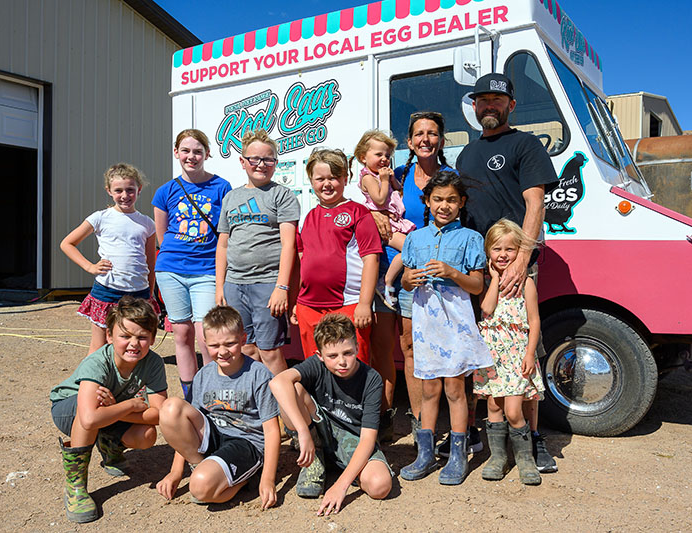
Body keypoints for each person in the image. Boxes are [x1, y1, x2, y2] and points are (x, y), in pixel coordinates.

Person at [456, 73, 560, 473]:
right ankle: (492, 440)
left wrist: (521, 260)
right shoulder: (466, 155)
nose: (488, 107)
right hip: (481, 271)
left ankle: (534, 442)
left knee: (521, 356)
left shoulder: (526, 144)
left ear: (510, 105)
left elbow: (535, 205)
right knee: (489, 353)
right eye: (482, 101)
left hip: (515, 265)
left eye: (496, 101)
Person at [399, 171, 493, 485]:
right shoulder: (415, 238)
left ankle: (457, 454)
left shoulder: (470, 238)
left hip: (455, 320)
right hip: (426, 321)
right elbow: (405, 279)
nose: (444, 205)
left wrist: (452, 272)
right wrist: (408, 280)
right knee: (429, 388)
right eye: (438, 199)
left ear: (461, 202)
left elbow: (477, 285)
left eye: (452, 199)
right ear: (427, 201)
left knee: (455, 388)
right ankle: (424, 454)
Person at [49, 296, 167, 523]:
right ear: (110, 336)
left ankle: (109, 446)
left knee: (147, 435)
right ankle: (76, 487)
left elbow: (159, 413)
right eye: (125, 336)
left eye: (142, 337)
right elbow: (89, 417)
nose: (134, 344)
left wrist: (117, 409)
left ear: (152, 338)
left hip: (109, 410)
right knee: (93, 403)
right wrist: (130, 405)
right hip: (68, 409)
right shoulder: (98, 362)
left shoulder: (153, 363)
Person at [156, 306, 280, 508]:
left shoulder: (259, 374)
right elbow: (188, 421)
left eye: (230, 343)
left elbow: (272, 430)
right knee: (170, 408)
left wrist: (268, 479)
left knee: (200, 490)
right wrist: (176, 472)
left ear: (243, 340)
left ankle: (246, 478)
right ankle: (201, 466)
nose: (222, 351)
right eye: (215, 345)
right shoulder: (204, 374)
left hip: (245, 442)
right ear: (205, 343)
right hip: (214, 434)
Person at [269, 313, 392, 514]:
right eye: (332, 356)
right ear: (320, 356)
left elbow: (368, 439)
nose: (342, 362)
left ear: (357, 348)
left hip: (352, 438)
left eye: (348, 353)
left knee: (380, 486)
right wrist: (303, 432)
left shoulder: (372, 379)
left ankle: (339, 466)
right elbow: (277, 382)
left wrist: (340, 486)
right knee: (294, 388)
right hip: (318, 428)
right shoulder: (316, 365)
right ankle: (315, 458)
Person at [153, 129, 232, 399]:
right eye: (185, 150)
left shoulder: (222, 187)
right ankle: (191, 395)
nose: (191, 156)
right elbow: (162, 237)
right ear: (176, 153)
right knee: (181, 333)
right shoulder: (165, 191)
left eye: (197, 151)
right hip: (171, 268)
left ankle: (214, 393)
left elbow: (225, 232)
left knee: (205, 335)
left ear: (207, 154)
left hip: (207, 270)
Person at [215, 129, 299, 376]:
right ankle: (260, 404)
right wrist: (220, 287)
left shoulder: (282, 195)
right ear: (243, 161)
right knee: (247, 349)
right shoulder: (231, 197)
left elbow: (289, 245)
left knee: (270, 352)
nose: (261, 164)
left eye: (268, 159)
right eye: (255, 159)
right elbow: (223, 245)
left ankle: (285, 409)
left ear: (275, 162)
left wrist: (281, 288)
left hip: (267, 285)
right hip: (234, 285)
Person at [291, 148, 381, 365]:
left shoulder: (358, 213)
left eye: (333, 177)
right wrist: (296, 301)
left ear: (345, 178)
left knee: (351, 368)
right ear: (311, 181)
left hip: (348, 305)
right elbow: (301, 262)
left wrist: (364, 303)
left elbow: (371, 259)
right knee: (316, 369)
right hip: (309, 307)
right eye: (320, 179)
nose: (327, 184)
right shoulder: (306, 217)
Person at [60, 163, 159, 355]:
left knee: (135, 345)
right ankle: (91, 384)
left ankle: (129, 384)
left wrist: (151, 293)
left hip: (139, 293)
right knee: (99, 346)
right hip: (107, 291)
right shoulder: (100, 218)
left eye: (130, 190)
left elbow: (150, 263)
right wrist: (89, 267)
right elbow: (67, 243)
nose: (125, 195)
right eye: (118, 190)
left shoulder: (147, 223)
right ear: (109, 191)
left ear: (139, 190)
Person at [474, 219, 545, 485]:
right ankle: (498, 457)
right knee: (493, 404)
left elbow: (534, 321)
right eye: (497, 249)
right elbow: (488, 309)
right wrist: (494, 278)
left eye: (510, 249)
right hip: (493, 356)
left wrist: (530, 354)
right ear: (488, 252)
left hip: (516, 354)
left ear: (519, 252)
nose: (503, 255)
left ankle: (525, 459)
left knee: (514, 410)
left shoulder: (526, 283)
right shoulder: (487, 280)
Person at [351, 129, 415, 308]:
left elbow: (399, 191)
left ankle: (388, 279)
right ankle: (386, 281)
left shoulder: (382, 175)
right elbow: (379, 200)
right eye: (378, 154)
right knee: (410, 247)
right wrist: (385, 180)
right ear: (363, 157)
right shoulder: (368, 177)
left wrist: (393, 180)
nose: (384, 159)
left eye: (387, 155)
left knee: (410, 247)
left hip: (395, 221)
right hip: (386, 225)